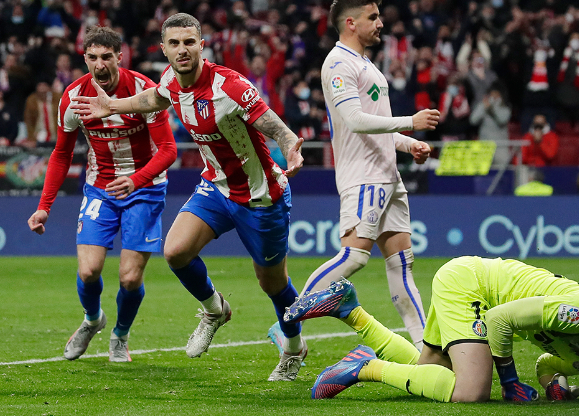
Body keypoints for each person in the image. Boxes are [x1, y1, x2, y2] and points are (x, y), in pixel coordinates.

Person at [70, 13, 307, 381]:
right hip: (216, 187)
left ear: (201, 44)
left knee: (273, 284)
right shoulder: (170, 80)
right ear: (163, 48)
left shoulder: (228, 86)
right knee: (175, 251)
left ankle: (293, 348)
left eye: (189, 42)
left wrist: (291, 145)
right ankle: (214, 309)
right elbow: (155, 98)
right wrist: (112, 106)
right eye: (175, 43)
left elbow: (273, 124)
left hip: (261, 197)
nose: (183, 50)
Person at [272, 0, 439, 352]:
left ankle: (429, 351)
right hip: (363, 176)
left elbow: (375, 125)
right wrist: (411, 121)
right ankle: (287, 322)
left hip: (387, 175)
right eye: (373, 17)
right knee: (354, 257)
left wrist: (408, 144)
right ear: (351, 22)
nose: (381, 23)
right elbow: (355, 121)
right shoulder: (338, 63)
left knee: (402, 265)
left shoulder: (365, 64)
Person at [284, 257, 579, 403]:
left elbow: (547, 362)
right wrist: (508, 383)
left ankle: (352, 312)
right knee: (470, 391)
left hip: (474, 291)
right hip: (473, 285)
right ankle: (364, 366)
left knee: (430, 373)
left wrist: (554, 384)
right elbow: (500, 319)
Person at [27, 27, 177, 362]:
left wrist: (136, 180)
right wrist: (44, 207)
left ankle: (120, 335)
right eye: (93, 57)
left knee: (129, 277)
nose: (100, 64)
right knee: (88, 271)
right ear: (85, 59)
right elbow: (61, 155)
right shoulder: (74, 98)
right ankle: (93, 319)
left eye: (106, 57)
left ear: (119, 57)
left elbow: (167, 150)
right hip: (100, 189)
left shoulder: (144, 91)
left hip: (145, 188)